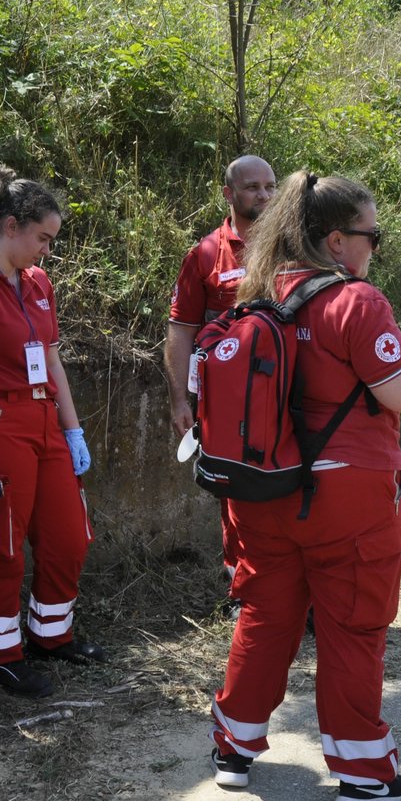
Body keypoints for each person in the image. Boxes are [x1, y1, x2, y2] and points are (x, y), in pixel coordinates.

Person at [206, 170, 401, 801]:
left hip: (260, 489)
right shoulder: (356, 302)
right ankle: (363, 774)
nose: (373, 249)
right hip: (345, 499)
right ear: (334, 240)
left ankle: (233, 749)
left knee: (266, 615)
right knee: (353, 627)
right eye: (370, 236)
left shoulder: (254, 292)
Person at [0, 165, 103, 699]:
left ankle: (51, 635)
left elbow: (51, 358)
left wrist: (72, 429)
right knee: (1, 544)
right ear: (11, 226)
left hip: (43, 420)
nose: (47, 251)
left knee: (68, 535)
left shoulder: (36, 283)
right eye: (43, 238)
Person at [166, 156, 277, 605]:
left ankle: (290, 595)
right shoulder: (205, 255)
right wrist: (179, 400)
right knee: (235, 495)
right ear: (229, 194)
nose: (264, 195)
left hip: (286, 397)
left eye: (271, 186)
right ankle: (244, 593)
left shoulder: (295, 247)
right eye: (252, 187)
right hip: (227, 405)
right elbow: (180, 332)